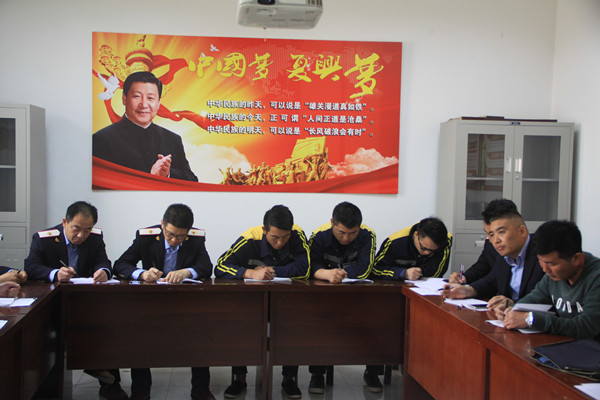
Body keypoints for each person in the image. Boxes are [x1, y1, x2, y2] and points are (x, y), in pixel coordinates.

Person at [24, 201, 127, 400]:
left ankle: (110, 384)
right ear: (65, 222)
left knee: (108, 322)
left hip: (84, 299)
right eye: (76, 229)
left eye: (87, 230)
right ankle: (90, 366)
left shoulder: (95, 238)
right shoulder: (44, 239)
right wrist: (55, 273)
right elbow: (31, 267)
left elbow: (104, 262)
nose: (81, 235)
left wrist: (103, 271)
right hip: (52, 301)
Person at [113, 203, 214, 400]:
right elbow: (120, 264)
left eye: (180, 236)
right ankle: (140, 391)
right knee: (139, 336)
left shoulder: (195, 239)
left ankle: (201, 389)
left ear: (188, 232)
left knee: (201, 333)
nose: (174, 240)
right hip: (151, 301)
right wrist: (142, 274)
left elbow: (206, 267)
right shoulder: (146, 237)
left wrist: (187, 272)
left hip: (185, 302)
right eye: (170, 234)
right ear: (162, 225)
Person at [215, 205, 309, 399]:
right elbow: (221, 265)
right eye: (274, 237)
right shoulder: (250, 238)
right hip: (251, 301)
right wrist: (249, 273)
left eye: (285, 237)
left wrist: (270, 271)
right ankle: (239, 378)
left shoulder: (297, 235)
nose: (280, 242)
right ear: (264, 230)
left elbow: (305, 268)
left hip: (286, 300)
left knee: (294, 326)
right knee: (239, 326)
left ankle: (289, 379)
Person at [306, 201, 381, 394]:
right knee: (317, 324)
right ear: (332, 222)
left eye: (352, 233)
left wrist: (340, 274)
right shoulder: (319, 235)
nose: (346, 238)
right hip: (324, 294)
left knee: (379, 320)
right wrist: (326, 274)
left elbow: (366, 267)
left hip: (358, 295)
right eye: (341, 233)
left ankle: (372, 372)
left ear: (359, 227)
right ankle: (317, 374)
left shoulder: (368, 235)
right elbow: (310, 266)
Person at [499, 220, 600, 339]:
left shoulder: (596, 278)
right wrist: (511, 310)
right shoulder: (554, 275)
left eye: (551, 263)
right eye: (541, 261)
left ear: (576, 259)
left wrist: (531, 319)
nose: (545, 269)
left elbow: (586, 327)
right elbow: (534, 298)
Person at [93, 71, 198, 182]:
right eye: (137, 96)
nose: (143, 104)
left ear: (158, 103)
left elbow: (192, 181)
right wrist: (151, 176)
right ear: (124, 99)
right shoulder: (101, 139)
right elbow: (99, 182)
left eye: (150, 98)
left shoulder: (173, 139)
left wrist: (167, 173)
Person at [441, 199, 545, 311]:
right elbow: (492, 280)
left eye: (501, 232)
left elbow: (545, 299)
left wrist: (514, 304)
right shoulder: (504, 253)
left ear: (522, 231)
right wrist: (467, 290)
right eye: (491, 234)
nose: (496, 240)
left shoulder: (544, 254)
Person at [371, 217, 452, 281]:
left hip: (428, 287)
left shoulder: (446, 241)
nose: (427, 253)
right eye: (423, 248)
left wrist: (420, 272)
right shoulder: (394, 242)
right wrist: (403, 273)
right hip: (397, 285)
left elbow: (439, 271)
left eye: (432, 251)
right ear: (416, 234)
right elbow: (375, 270)